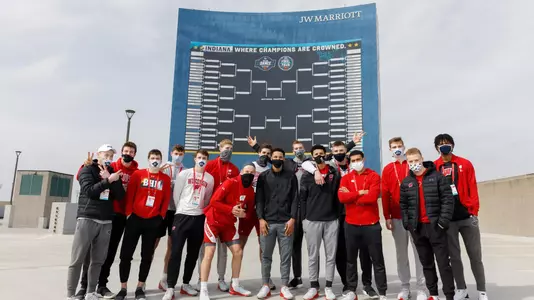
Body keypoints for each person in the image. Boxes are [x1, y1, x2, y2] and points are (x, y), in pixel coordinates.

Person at [302, 133, 375, 297]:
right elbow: (307, 161)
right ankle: (347, 284)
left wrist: (351, 145)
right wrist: (315, 171)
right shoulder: (329, 165)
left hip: (357, 213)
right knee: (340, 252)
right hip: (337, 214)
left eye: (342, 150)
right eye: (335, 151)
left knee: (362, 251)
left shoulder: (354, 164)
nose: (339, 153)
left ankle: (367, 284)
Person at [75, 142, 139, 299]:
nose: (128, 153)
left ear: (134, 154)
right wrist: (85, 164)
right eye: (125, 151)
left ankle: (102, 285)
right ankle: (85, 286)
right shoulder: (111, 166)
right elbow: (81, 177)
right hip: (105, 213)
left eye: (131, 151)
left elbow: (125, 194)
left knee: (109, 253)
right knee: (91, 252)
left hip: (121, 216)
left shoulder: (136, 172)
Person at [433, 134, 488, 300]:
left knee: (475, 255)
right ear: (436, 148)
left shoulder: (464, 163)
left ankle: (482, 290)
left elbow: (473, 187)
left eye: (447, 143)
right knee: (454, 257)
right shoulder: (435, 167)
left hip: (466, 216)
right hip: (448, 220)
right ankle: (462, 289)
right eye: (441, 144)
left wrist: (474, 211)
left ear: (453, 145)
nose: (444, 146)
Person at [67, 144, 125, 300]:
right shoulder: (87, 169)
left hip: (106, 220)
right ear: (98, 154)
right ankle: (71, 293)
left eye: (111, 155)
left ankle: (91, 292)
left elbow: (120, 195)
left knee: (98, 260)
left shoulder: (113, 173)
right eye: (105, 154)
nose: (108, 158)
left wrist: (112, 179)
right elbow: (90, 191)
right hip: (87, 217)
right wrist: (107, 181)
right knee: (78, 258)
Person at [116, 149, 172, 300]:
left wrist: (160, 216)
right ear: (148, 159)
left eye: (157, 158)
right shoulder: (138, 174)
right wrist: (129, 214)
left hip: (153, 221)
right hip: (135, 219)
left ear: (161, 160)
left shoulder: (165, 179)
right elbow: (130, 195)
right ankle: (123, 288)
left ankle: (140, 287)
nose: (155, 160)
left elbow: (166, 199)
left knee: (147, 256)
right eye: (152, 157)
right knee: (126, 255)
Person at [400, 148, 455, 300]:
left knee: (443, 263)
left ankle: (449, 295)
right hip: (417, 228)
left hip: (436, 226)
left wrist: (442, 222)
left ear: (422, 158)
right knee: (427, 264)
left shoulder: (437, 177)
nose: (414, 164)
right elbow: (403, 205)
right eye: (410, 161)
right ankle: (434, 294)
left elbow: (447, 200)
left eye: (416, 160)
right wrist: (408, 224)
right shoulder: (407, 182)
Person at [198, 164, 257, 300]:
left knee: (238, 251)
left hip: (228, 224)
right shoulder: (230, 182)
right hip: (213, 221)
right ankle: (203, 288)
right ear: (241, 172)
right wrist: (231, 209)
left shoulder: (250, 191)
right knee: (210, 252)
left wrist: (243, 214)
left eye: (252, 173)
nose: (248, 174)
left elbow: (247, 212)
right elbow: (214, 201)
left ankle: (235, 286)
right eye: (246, 171)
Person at [163, 150, 215, 300]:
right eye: (199, 157)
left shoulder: (209, 178)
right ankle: (171, 287)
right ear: (194, 159)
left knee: (192, 254)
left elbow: (207, 198)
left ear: (207, 160)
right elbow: (177, 195)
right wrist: (182, 209)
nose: (201, 160)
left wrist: (198, 210)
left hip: (198, 218)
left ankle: (186, 284)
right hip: (182, 216)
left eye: (204, 158)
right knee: (176, 252)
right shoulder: (184, 174)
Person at [338, 150, 387, 300]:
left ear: (363, 159)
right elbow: (341, 197)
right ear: (350, 162)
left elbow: (372, 197)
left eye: (358, 159)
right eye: (353, 160)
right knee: (351, 259)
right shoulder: (346, 178)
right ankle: (351, 290)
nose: (356, 162)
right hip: (351, 224)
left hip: (371, 224)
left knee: (375, 259)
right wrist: (360, 192)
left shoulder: (373, 176)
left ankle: (379, 291)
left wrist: (352, 196)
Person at [381, 137, 426, 300]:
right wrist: (387, 216)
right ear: (390, 150)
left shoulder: (412, 165)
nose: (397, 149)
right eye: (394, 147)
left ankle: (421, 287)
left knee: (420, 253)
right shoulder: (387, 169)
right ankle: (405, 287)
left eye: (400, 146)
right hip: (397, 217)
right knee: (401, 254)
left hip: (416, 217)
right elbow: (385, 194)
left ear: (404, 147)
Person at [255, 148, 298, 300]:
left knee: (285, 257)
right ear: (270, 158)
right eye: (275, 156)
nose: (277, 158)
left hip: (286, 222)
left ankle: (284, 286)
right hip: (267, 223)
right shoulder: (263, 177)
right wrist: (260, 219)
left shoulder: (291, 177)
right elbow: (259, 200)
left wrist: (293, 219)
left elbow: (295, 199)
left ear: (284, 159)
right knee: (266, 256)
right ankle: (265, 285)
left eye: (280, 156)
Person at [299, 145, 341, 300]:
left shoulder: (333, 173)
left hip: (331, 220)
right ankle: (313, 286)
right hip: (312, 220)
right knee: (313, 255)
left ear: (325, 155)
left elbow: (338, 195)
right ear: (312, 157)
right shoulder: (307, 175)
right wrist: (304, 219)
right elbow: (302, 198)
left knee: (330, 255)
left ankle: (329, 287)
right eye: (316, 154)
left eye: (321, 154)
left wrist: (336, 216)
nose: (319, 156)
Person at [200, 139, 239, 291]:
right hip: (209, 214)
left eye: (230, 148)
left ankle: (221, 278)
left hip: (226, 215)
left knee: (223, 251)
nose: (227, 150)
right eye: (225, 148)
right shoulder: (209, 165)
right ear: (219, 148)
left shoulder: (234, 169)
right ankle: (200, 279)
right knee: (206, 250)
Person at [157, 144, 186, 291]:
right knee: (152, 245)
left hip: (176, 212)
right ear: (171, 153)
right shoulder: (164, 166)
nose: (178, 156)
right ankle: (141, 282)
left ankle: (164, 278)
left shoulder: (185, 171)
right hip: (161, 211)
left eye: (181, 154)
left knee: (171, 246)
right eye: (176, 153)